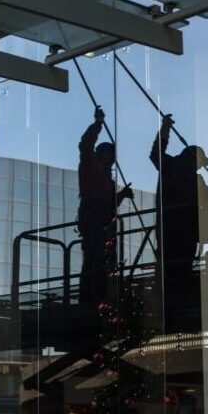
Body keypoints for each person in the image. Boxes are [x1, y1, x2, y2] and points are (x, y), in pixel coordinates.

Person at [150, 114, 208, 330]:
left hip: (175, 228)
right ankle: (171, 296)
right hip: (181, 229)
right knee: (177, 264)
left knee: (173, 264)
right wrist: (165, 128)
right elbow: (207, 201)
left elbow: (206, 201)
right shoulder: (176, 168)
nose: (200, 167)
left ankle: (169, 295)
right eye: (200, 163)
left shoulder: (176, 169)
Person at [78, 107, 133, 305]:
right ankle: (91, 298)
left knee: (100, 260)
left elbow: (108, 203)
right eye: (110, 156)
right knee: (94, 260)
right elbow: (85, 145)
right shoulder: (91, 168)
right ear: (103, 155)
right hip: (93, 220)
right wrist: (98, 124)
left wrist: (121, 196)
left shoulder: (106, 178)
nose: (112, 160)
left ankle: (99, 296)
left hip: (101, 221)